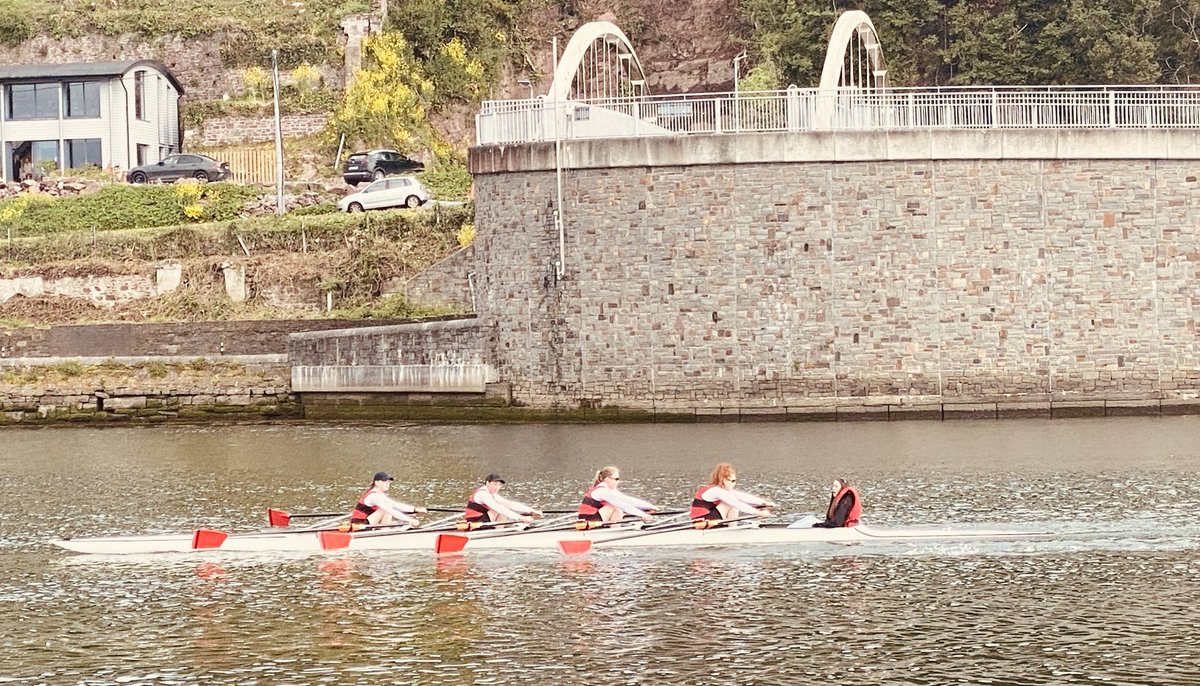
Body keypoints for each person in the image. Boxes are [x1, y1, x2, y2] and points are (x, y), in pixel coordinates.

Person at [690, 463, 777, 523]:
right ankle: (732, 532)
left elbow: (742, 496)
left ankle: (732, 529)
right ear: (724, 480)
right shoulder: (716, 491)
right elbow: (737, 504)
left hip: (709, 519)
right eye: (733, 481)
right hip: (702, 521)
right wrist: (759, 513)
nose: (734, 483)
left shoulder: (721, 490)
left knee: (733, 501)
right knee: (731, 503)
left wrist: (764, 503)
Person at [577, 466, 659, 524]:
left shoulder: (610, 491)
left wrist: (650, 507)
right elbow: (623, 506)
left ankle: (615, 529)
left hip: (593, 518)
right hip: (588, 520)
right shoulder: (603, 491)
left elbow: (628, 500)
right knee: (616, 506)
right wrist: (643, 515)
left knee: (618, 509)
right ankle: (615, 531)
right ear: (607, 479)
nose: (618, 482)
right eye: (616, 479)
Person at [349, 471, 427, 527]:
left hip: (367, 522)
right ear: (377, 483)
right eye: (384, 481)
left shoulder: (379, 495)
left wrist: (415, 509)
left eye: (388, 482)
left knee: (389, 506)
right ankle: (384, 531)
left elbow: (396, 505)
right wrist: (410, 520)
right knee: (387, 507)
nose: (387, 484)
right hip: (359, 525)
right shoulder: (373, 496)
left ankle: (384, 529)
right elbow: (390, 510)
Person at [463, 474, 543, 526]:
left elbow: (510, 504)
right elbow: (498, 508)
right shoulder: (483, 494)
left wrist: (531, 511)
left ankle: (503, 529)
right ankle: (502, 531)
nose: (497, 487)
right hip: (474, 523)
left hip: (483, 520)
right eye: (495, 484)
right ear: (487, 483)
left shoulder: (492, 494)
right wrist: (520, 518)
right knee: (500, 509)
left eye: (499, 485)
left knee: (506, 506)